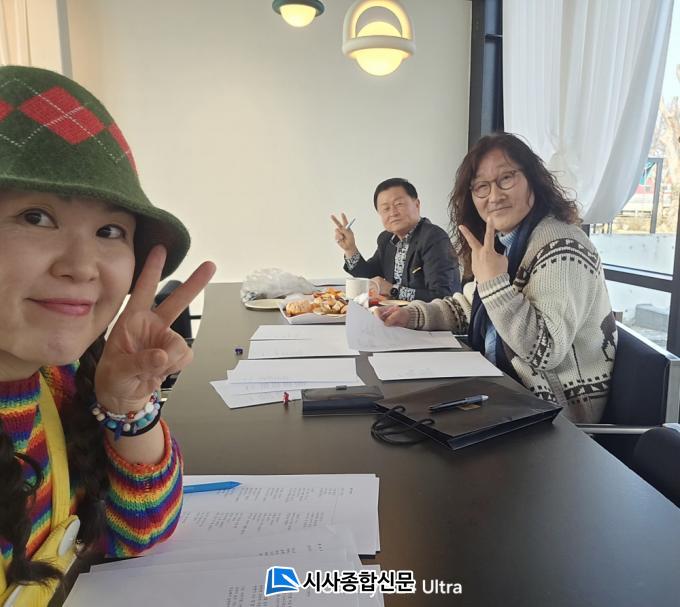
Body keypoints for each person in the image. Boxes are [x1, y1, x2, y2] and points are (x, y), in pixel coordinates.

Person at [0, 65, 216, 606]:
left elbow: (136, 531)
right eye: (36, 217)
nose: (81, 266)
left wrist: (127, 408)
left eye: (109, 231)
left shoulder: (57, 382)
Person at [376, 133, 616, 423]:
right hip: (498, 389)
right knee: (393, 408)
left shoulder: (562, 244)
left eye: (506, 178)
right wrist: (411, 315)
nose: (494, 196)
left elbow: (545, 351)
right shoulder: (506, 243)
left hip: (551, 415)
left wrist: (494, 285)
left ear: (532, 180)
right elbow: (467, 307)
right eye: (481, 186)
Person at [331, 178, 460, 302]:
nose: (393, 213)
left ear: (417, 204)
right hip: (393, 313)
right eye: (386, 208)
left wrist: (392, 290)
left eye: (399, 204)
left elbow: (442, 296)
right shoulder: (386, 239)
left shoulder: (434, 237)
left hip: (428, 316)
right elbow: (370, 278)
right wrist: (350, 249)